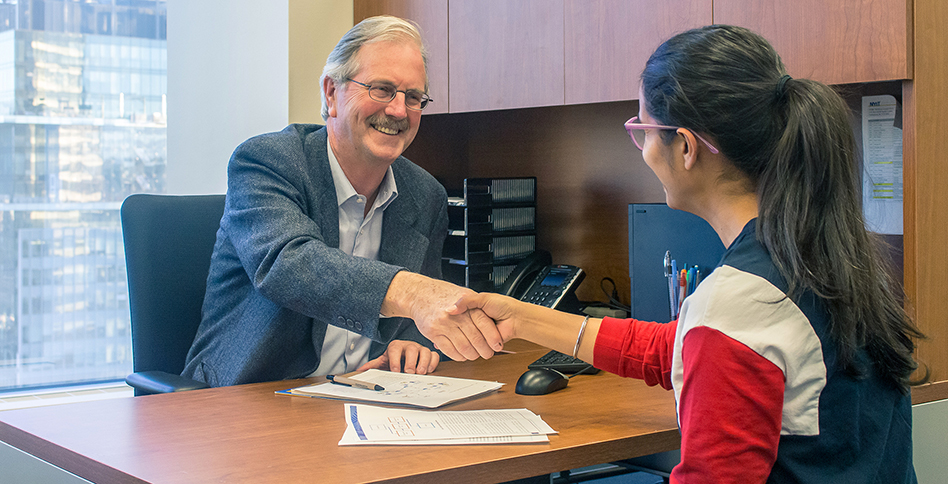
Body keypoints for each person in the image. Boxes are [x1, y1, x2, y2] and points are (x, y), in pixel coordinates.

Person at [449, 25, 925, 483]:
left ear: (686, 147)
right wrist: (521, 317)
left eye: (643, 131)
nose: (642, 151)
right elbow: (674, 351)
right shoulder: (825, 260)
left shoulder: (739, 305)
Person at [182, 16, 503, 387]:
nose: (399, 111)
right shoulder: (267, 161)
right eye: (382, 89)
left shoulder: (425, 194)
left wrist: (413, 344)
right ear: (332, 93)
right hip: (248, 397)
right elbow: (288, 263)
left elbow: (418, 320)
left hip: (364, 400)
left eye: (413, 97)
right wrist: (410, 292)